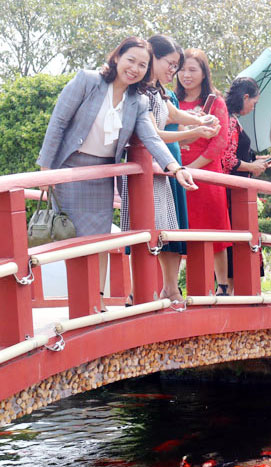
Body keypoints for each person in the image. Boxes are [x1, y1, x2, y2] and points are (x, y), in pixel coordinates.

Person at [36, 36, 197, 310]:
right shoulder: (88, 81)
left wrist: (175, 167)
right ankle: (81, 303)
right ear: (117, 57)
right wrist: (45, 170)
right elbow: (58, 122)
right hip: (71, 171)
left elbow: (150, 137)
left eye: (142, 65)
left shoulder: (138, 100)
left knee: (99, 239)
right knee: (76, 239)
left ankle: (95, 301)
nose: (134, 68)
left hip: (103, 173)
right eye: (130, 60)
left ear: (147, 70)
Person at [121, 35, 219, 303]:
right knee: (147, 229)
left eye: (177, 65)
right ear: (153, 56)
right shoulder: (137, 91)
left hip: (169, 166)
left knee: (172, 232)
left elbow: (173, 115)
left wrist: (201, 120)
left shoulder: (160, 90)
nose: (173, 70)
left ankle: (170, 288)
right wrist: (198, 129)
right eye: (171, 63)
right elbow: (151, 135)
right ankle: (138, 291)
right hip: (151, 167)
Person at [175, 48, 231, 295]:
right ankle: (175, 286)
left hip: (205, 175)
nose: (185, 75)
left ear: (204, 72)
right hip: (175, 171)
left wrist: (191, 169)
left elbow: (219, 143)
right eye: (181, 69)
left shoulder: (214, 102)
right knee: (177, 231)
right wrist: (178, 168)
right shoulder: (171, 100)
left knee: (214, 231)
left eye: (192, 70)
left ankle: (223, 285)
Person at [223, 76, 265, 283]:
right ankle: (232, 286)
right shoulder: (230, 121)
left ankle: (232, 286)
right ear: (246, 97)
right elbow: (228, 159)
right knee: (236, 236)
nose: (254, 108)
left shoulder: (231, 118)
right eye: (255, 103)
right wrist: (252, 167)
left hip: (237, 189)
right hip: (232, 191)